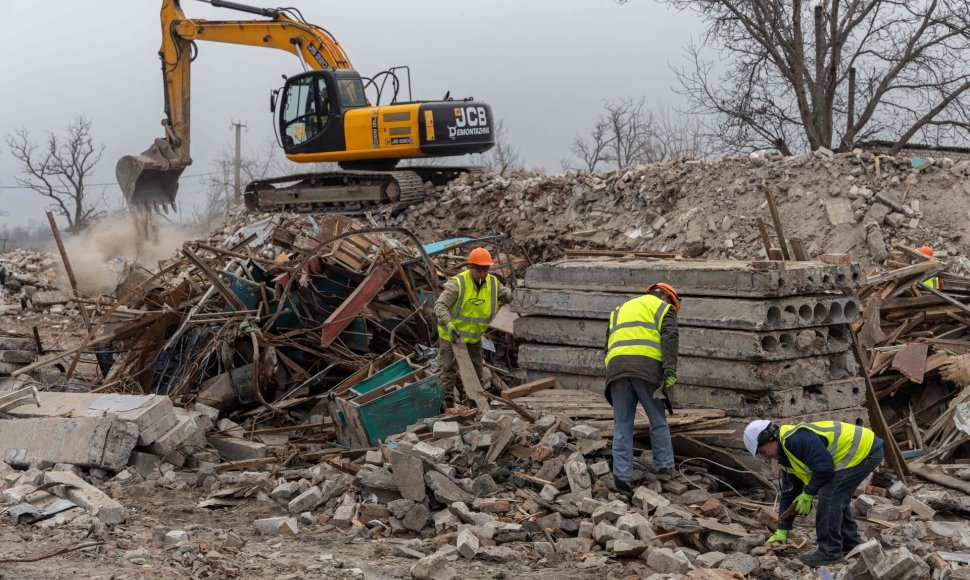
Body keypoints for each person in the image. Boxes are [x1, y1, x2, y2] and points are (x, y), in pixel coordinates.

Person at [743, 419, 885, 566]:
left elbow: (825, 468)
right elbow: (789, 493)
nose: (765, 456)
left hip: (865, 450)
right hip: (858, 452)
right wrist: (782, 529)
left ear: (769, 438)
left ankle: (830, 552)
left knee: (829, 496)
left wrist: (808, 494)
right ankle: (851, 544)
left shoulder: (795, 440)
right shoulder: (785, 458)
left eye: (761, 451)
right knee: (835, 498)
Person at [605, 283, 680, 493]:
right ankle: (664, 468)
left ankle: (622, 476)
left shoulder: (620, 310)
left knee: (622, 424)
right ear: (666, 297)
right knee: (657, 420)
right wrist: (670, 370)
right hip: (647, 370)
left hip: (617, 369)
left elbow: (607, 344)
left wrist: (613, 370)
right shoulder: (664, 309)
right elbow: (670, 338)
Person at [433, 247, 513, 408]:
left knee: (476, 371)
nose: (482, 274)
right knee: (448, 370)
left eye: (485, 270)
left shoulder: (493, 283)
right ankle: (447, 405)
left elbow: (508, 295)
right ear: (470, 267)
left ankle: (473, 402)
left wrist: (518, 295)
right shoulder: (458, 283)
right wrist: (449, 324)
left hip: (474, 337)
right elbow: (440, 306)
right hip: (452, 335)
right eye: (479, 270)